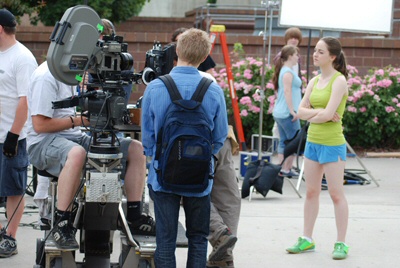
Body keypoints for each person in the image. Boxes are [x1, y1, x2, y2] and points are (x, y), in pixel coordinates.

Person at [26, 60, 156, 250]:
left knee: (135, 149)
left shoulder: (74, 73)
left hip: (73, 137)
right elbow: (40, 125)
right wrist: (79, 120)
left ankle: (135, 217)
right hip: (42, 143)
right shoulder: (46, 77)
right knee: (77, 154)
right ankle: (63, 222)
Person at [142, 28, 228, 267]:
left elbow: (148, 138)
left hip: (162, 175)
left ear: (176, 51)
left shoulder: (156, 87)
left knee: (165, 240)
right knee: (198, 239)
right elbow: (219, 137)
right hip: (200, 178)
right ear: (205, 56)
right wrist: (200, 157)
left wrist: (156, 158)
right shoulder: (213, 90)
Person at [170, 31, 241, 268]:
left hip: (201, 141)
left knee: (202, 192)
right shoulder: (203, 76)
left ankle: (222, 241)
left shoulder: (169, 72)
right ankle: (223, 250)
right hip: (217, 138)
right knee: (225, 194)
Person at [286, 37, 349, 260]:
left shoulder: (339, 81)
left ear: (332, 56)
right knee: (311, 192)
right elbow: (300, 112)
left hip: (332, 144)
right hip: (312, 143)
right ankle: (307, 239)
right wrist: (318, 115)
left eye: (320, 52)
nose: (315, 54)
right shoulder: (313, 81)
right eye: (315, 51)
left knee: (335, 194)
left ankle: (341, 242)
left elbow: (315, 112)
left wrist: (311, 113)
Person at [0, 8, 38, 258]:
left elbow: (26, 100)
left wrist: (13, 135)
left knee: (13, 188)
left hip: (12, 136)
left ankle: (9, 237)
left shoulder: (22, 57)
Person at [271, 45, 302, 176]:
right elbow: (288, 91)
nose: (298, 57)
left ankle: (282, 168)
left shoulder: (284, 70)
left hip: (280, 112)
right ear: (290, 56)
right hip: (287, 112)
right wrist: (292, 111)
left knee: (284, 141)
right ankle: (286, 168)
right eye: (296, 55)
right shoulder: (288, 72)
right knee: (295, 141)